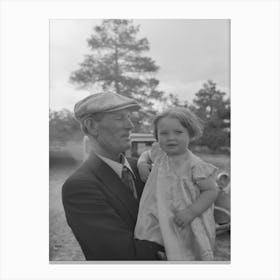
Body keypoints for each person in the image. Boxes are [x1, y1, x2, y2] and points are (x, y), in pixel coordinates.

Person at [62, 92, 164, 260]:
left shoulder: (142, 167)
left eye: (129, 117)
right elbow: (125, 257)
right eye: (119, 118)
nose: (130, 125)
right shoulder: (79, 187)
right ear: (92, 126)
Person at [134, 107, 219, 261]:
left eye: (178, 132)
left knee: (184, 252)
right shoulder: (159, 155)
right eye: (164, 133)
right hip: (157, 214)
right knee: (154, 246)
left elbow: (211, 191)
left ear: (190, 134)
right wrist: (141, 164)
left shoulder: (195, 165)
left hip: (183, 218)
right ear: (157, 136)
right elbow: (146, 154)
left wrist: (191, 212)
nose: (170, 138)